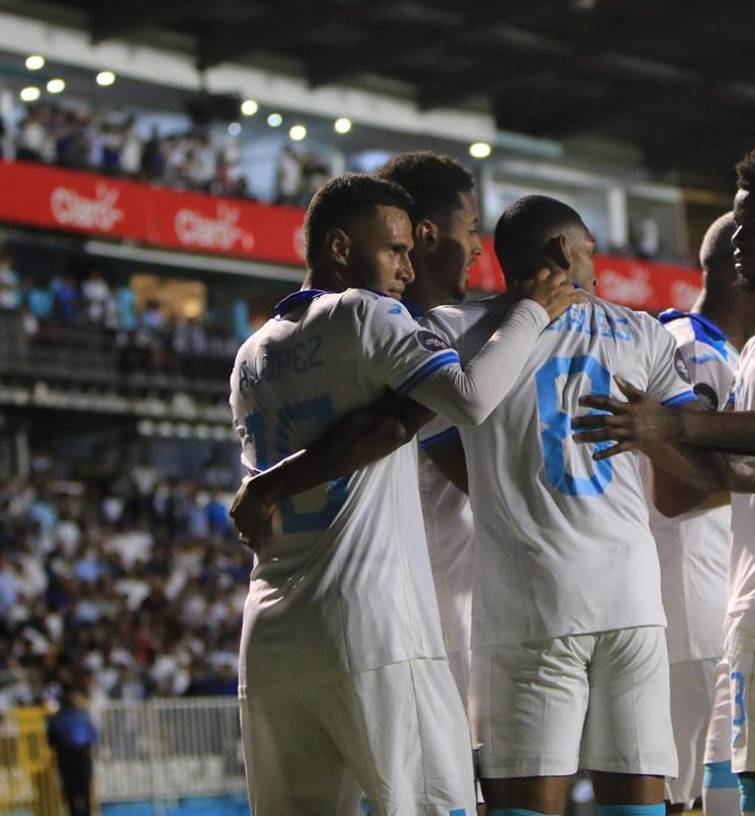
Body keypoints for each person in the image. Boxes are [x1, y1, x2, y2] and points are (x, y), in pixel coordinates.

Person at [227, 173, 577, 815]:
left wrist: (270, 485)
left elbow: (378, 425)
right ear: (339, 247)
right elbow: (466, 399)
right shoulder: (365, 312)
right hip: (370, 622)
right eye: (393, 250)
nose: (406, 267)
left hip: (273, 632)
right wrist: (532, 311)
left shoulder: (252, 353)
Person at [573, 142, 755, 816]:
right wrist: (658, 433)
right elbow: (714, 476)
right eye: (736, 223)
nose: (741, 237)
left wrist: (676, 428)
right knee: (746, 791)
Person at [646, 212, 755, 815]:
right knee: (680, 793)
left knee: (690, 793)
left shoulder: (713, 348)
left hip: (701, 593)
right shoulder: (694, 349)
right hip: (688, 597)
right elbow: (673, 491)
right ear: (740, 268)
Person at [377, 150, 485, 715]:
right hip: (435, 603)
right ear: (427, 234)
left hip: (444, 590)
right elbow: (479, 478)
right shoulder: (415, 342)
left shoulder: (394, 331)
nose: (477, 247)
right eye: (470, 229)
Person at [46, 683, 97, 816]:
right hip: (82, 754)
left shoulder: (55, 718)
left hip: (65, 756)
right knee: (84, 791)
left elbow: (51, 740)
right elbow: (93, 736)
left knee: (70, 791)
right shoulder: (84, 715)